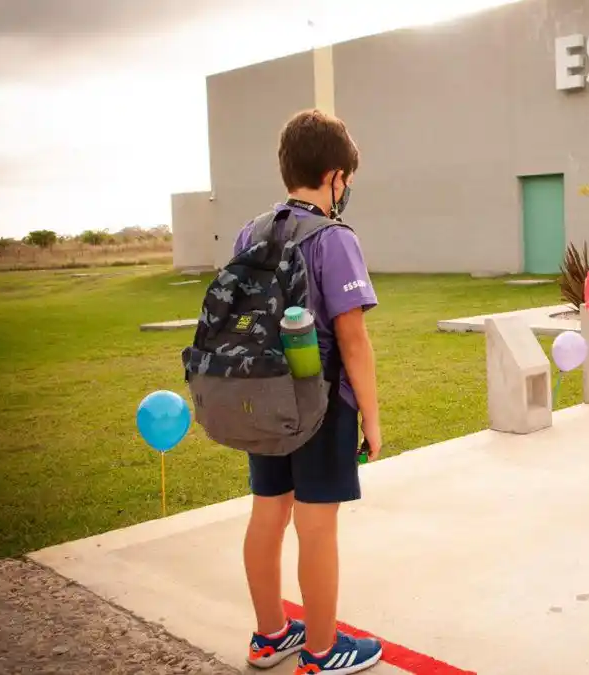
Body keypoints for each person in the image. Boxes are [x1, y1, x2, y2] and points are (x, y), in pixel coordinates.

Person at [233, 109, 384, 674]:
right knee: (317, 523)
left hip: (262, 398)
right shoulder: (334, 237)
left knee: (268, 511)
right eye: (346, 178)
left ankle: (271, 634)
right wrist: (370, 416)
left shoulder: (253, 231)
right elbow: (353, 337)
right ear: (334, 175)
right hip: (319, 405)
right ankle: (322, 650)